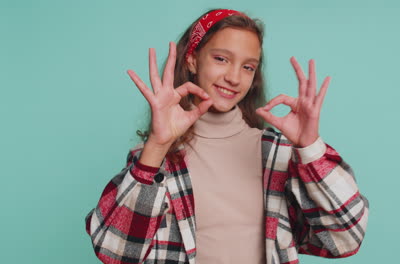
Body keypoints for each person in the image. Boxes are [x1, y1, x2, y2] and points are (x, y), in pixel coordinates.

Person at [85, 8, 369, 264]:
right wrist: (158, 146)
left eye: (247, 67)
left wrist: (310, 149)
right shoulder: (154, 159)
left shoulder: (275, 153)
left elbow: (346, 238)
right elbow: (116, 252)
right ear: (193, 60)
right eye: (221, 59)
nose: (234, 77)